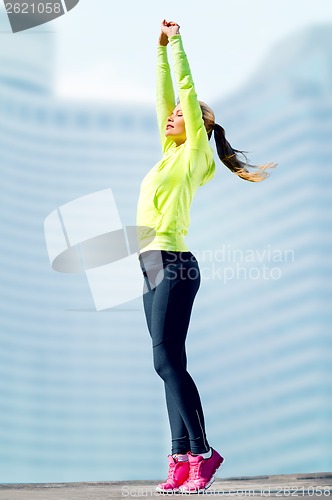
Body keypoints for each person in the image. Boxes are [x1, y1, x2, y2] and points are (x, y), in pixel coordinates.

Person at [136, 20, 276, 494]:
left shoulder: (195, 152)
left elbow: (186, 92)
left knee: (166, 361)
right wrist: (157, 52)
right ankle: (179, 456)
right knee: (166, 361)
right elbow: (162, 100)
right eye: (173, 114)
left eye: (184, 113)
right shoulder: (166, 153)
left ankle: (202, 451)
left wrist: (176, 43)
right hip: (150, 264)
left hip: (175, 262)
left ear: (201, 124)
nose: (173, 115)